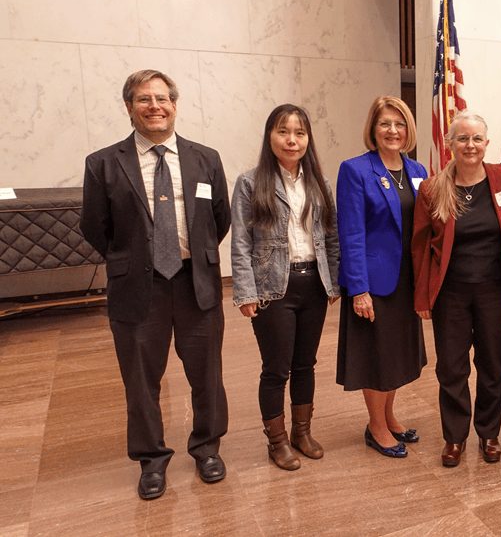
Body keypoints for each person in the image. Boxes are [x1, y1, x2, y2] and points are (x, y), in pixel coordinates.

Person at [81, 69, 230, 500]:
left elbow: (219, 218)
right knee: (141, 378)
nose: (155, 106)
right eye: (144, 99)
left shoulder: (206, 158)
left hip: (195, 283)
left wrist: (194, 256)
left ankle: (206, 448)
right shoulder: (103, 163)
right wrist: (133, 260)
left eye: (162, 98)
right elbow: (95, 226)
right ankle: (151, 459)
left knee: (207, 373)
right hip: (136, 290)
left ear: (174, 105)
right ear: (129, 107)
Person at [231, 104, 340, 471]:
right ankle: (276, 442)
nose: (291, 140)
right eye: (283, 132)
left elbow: (331, 235)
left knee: (305, 364)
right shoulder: (250, 182)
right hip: (273, 286)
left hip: (313, 283)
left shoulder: (319, 183)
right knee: (276, 368)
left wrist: (335, 281)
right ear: (270, 136)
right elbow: (241, 242)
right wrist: (245, 292)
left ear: (308, 139)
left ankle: (302, 432)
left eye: (299, 133)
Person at [412, 112, 501, 468]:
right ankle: (454, 437)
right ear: (450, 144)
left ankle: (489, 433)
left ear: (487, 143)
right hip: (450, 294)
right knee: (451, 369)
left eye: (477, 139)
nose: (470, 146)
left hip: (494, 292)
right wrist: (423, 297)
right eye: (462, 139)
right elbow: (421, 246)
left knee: (493, 366)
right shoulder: (433, 187)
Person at [335, 96, 427, 458]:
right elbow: (351, 233)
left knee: (397, 354)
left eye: (400, 124)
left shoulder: (417, 171)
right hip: (374, 282)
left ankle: (389, 416)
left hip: (407, 281)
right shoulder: (355, 170)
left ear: (409, 130)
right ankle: (375, 427)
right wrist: (359, 289)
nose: (393, 130)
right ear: (373, 129)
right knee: (376, 355)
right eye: (385, 123)